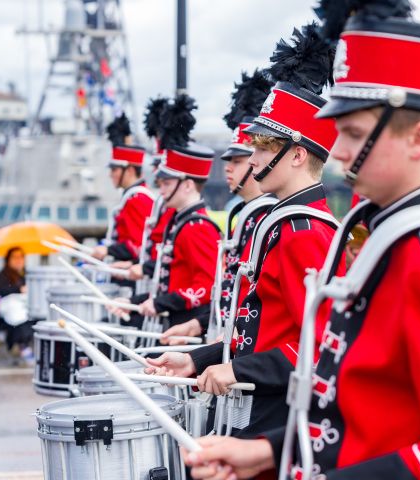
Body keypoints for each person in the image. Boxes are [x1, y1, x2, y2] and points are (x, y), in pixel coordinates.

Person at [181, 1, 420, 478]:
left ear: (419, 141)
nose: (336, 150)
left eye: (354, 134)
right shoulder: (383, 235)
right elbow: (358, 407)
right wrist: (272, 451)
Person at [147, 23, 343, 442]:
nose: (251, 160)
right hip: (251, 412)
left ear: (295, 155)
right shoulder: (285, 223)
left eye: (260, 149)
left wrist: (234, 370)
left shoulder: (304, 233)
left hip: (276, 421)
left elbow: (319, 350)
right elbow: (256, 334)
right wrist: (196, 360)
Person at [159, 69, 274, 344]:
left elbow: (258, 299)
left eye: (237, 161)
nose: (227, 169)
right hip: (220, 338)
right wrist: (199, 325)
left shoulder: (264, 218)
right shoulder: (246, 216)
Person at [111, 95, 221, 332]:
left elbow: (206, 287)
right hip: (170, 321)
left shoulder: (198, 228)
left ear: (188, 185)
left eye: (166, 183)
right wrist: (133, 303)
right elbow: (170, 281)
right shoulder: (181, 221)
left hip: (182, 329)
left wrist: (158, 303)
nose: (159, 189)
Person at [92, 114, 154, 263]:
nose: (110, 175)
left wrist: (108, 250)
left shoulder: (137, 199)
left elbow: (137, 246)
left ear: (130, 171)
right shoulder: (132, 197)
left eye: (114, 169)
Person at [0, 247, 32, 363]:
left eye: (21, 257)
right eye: (15, 257)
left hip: (22, 311)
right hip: (4, 315)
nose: (18, 260)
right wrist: (19, 289)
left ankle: (17, 343)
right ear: (8, 259)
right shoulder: (0, 277)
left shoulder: (25, 277)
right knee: (18, 317)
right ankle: (18, 344)